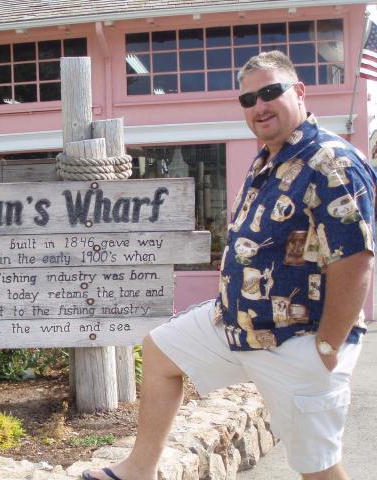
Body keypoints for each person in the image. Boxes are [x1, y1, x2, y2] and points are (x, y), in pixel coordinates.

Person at [83, 50, 376, 480]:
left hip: (298, 339)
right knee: (161, 351)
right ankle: (139, 470)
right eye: (248, 99)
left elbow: (355, 261)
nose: (259, 106)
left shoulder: (331, 162)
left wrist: (327, 349)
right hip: (236, 326)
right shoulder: (269, 160)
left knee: (319, 470)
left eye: (270, 92)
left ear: (299, 92)